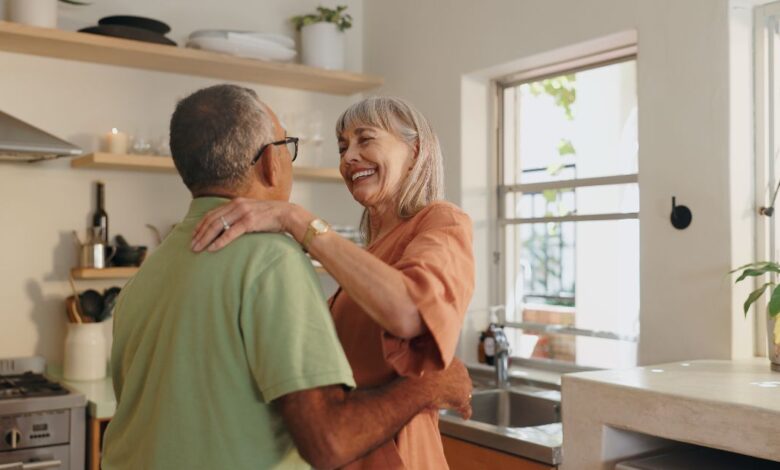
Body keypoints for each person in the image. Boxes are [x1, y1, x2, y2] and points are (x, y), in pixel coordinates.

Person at [101, 85, 472, 470]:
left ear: (415, 152)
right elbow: (323, 432)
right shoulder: (279, 259)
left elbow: (411, 311)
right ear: (269, 163)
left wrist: (294, 218)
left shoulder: (149, 273)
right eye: (342, 146)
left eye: (365, 139)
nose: (349, 157)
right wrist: (430, 385)